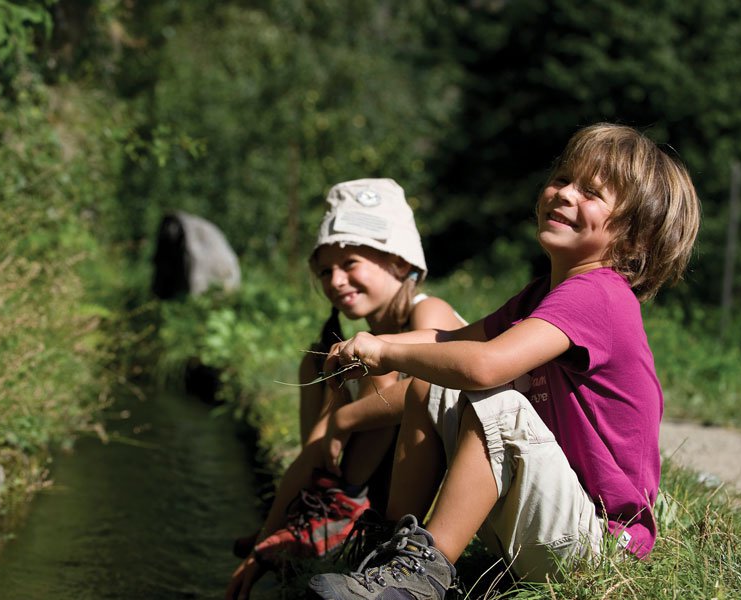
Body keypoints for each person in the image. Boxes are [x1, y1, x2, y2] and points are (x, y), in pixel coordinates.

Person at [308, 123, 701, 599]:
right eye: (563, 179)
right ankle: (394, 552)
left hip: (599, 549)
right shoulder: (542, 295)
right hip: (543, 520)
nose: (564, 194)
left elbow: (485, 366)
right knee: (425, 387)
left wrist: (388, 350)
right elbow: (449, 339)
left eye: (591, 192)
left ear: (633, 237)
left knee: (499, 406)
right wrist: (368, 346)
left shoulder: (599, 295)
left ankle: (418, 579)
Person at [226, 178, 466, 599]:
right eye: (325, 271)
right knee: (319, 360)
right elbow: (314, 450)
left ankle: (346, 513)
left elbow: (432, 387)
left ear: (397, 262)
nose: (336, 281)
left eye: (350, 263)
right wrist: (269, 534)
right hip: (385, 474)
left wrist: (344, 417)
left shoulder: (429, 310)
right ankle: (322, 509)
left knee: (374, 369)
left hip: (449, 471)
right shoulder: (352, 347)